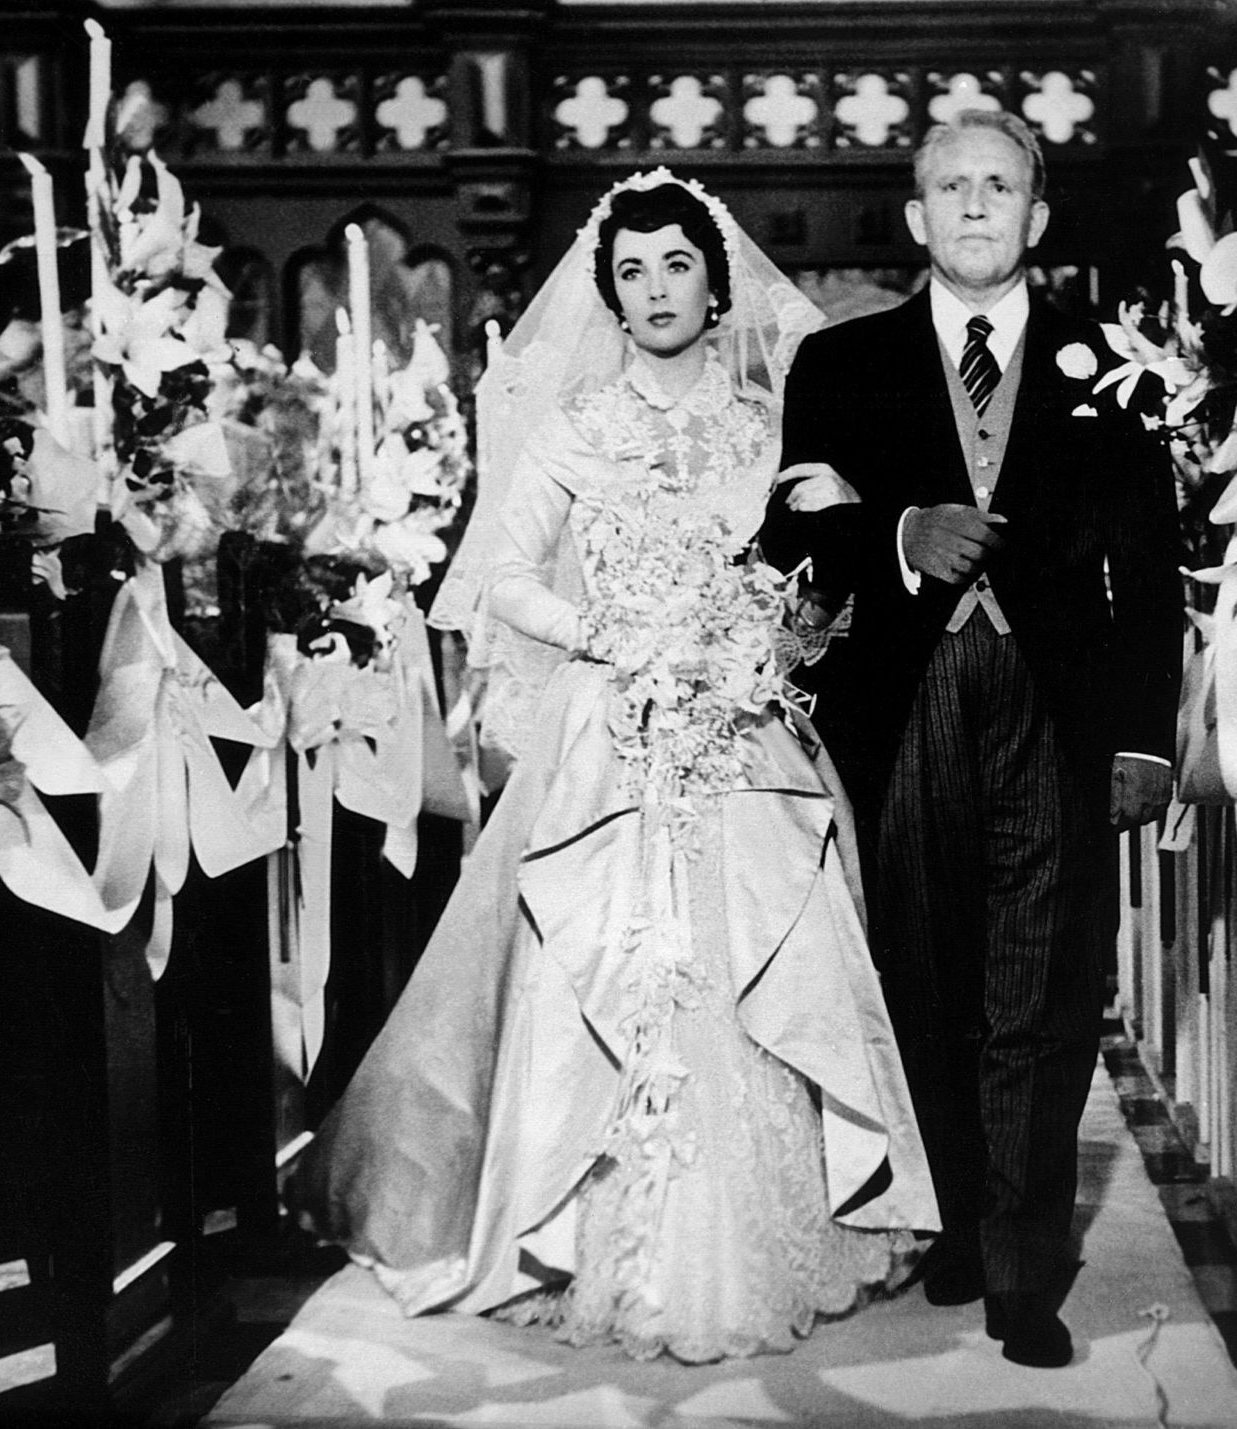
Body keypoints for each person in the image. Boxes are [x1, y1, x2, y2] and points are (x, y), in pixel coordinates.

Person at [290, 169, 939, 1365]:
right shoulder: (575, 429)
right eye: (632, 271)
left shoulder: (767, 429)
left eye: (676, 265)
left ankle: (773, 1234)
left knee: (762, 956)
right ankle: (590, 1239)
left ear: (713, 281)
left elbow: (812, 570)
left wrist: (767, 630)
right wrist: (612, 634)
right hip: (613, 729)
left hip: (744, 726)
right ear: (609, 294)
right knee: (611, 958)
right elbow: (499, 579)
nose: (655, 290)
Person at [759, 110, 1182, 1368]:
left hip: (1056, 709)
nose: (978, 206)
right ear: (916, 218)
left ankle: (1023, 1268)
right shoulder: (841, 365)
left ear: (1038, 217)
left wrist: (1146, 739)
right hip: (905, 707)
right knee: (922, 975)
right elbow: (786, 542)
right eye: (953, 186)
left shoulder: (1115, 364)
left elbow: (1149, 573)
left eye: (1002, 185)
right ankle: (951, 1216)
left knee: (1042, 989)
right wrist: (896, 533)